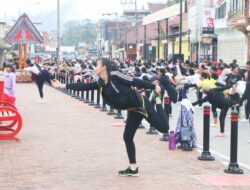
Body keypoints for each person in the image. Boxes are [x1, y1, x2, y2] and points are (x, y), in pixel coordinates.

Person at [51, 58, 169, 177]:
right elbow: (83, 86)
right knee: (127, 137)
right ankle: (133, 168)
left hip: (141, 105)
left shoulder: (115, 75)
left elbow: (134, 81)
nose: (95, 68)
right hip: (133, 110)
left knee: (164, 128)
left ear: (104, 67)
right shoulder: (100, 83)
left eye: (97, 65)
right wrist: (62, 85)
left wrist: (152, 87)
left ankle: (157, 101)